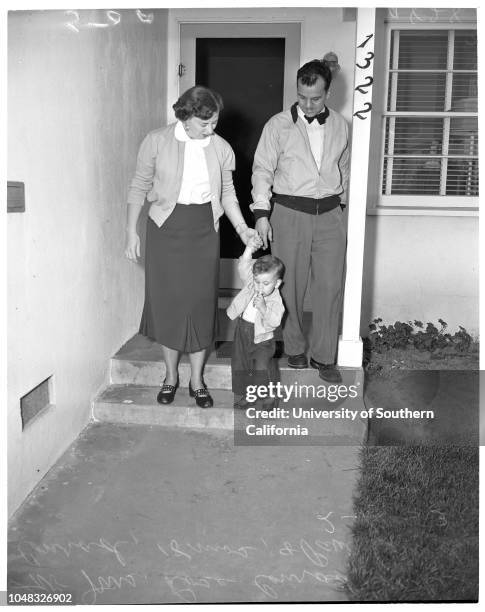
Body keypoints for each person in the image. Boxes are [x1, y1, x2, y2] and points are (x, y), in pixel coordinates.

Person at [125, 86, 258, 408]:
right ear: (184, 116)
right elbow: (139, 185)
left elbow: (228, 193)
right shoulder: (156, 141)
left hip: (203, 231)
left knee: (199, 305)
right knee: (169, 304)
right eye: (204, 123)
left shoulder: (221, 147)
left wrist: (242, 228)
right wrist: (131, 231)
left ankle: (197, 380)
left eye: (214, 122)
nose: (211, 129)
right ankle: (171, 376)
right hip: (164, 228)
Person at [251, 59, 349, 383]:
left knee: (330, 288)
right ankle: (293, 347)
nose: (308, 104)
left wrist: (342, 205)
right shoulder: (277, 125)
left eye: (316, 98)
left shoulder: (340, 125)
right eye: (302, 97)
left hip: (329, 215)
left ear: (328, 93)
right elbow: (262, 170)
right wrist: (262, 214)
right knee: (289, 286)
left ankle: (324, 357)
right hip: (289, 213)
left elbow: (344, 168)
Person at [226, 234, 285, 409]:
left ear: (277, 283)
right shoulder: (252, 284)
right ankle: (248, 395)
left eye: (266, 283)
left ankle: (269, 398)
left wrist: (264, 308)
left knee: (261, 369)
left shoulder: (275, 300)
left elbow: (275, 321)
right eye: (257, 281)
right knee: (241, 364)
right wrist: (249, 249)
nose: (260, 287)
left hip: (263, 339)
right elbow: (243, 266)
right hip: (243, 331)